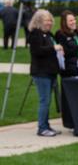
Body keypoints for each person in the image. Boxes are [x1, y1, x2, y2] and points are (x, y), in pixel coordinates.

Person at [28, 9, 63, 137]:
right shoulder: (35, 34)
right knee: (44, 101)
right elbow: (37, 51)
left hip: (50, 72)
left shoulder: (49, 35)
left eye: (50, 20)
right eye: (46, 20)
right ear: (38, 21)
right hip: (41, 73)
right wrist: (53, 48)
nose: (49, 22)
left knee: (47, 101)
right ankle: (42, 128)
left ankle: (46, 126)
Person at [55, 10, 78, 134]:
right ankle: (73, 123)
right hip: (69, 70)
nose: (73, 22)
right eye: (70, 20)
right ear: (65, 22)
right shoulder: (60, 34)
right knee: (71, 98)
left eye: (74, 19)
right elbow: (65, 51)